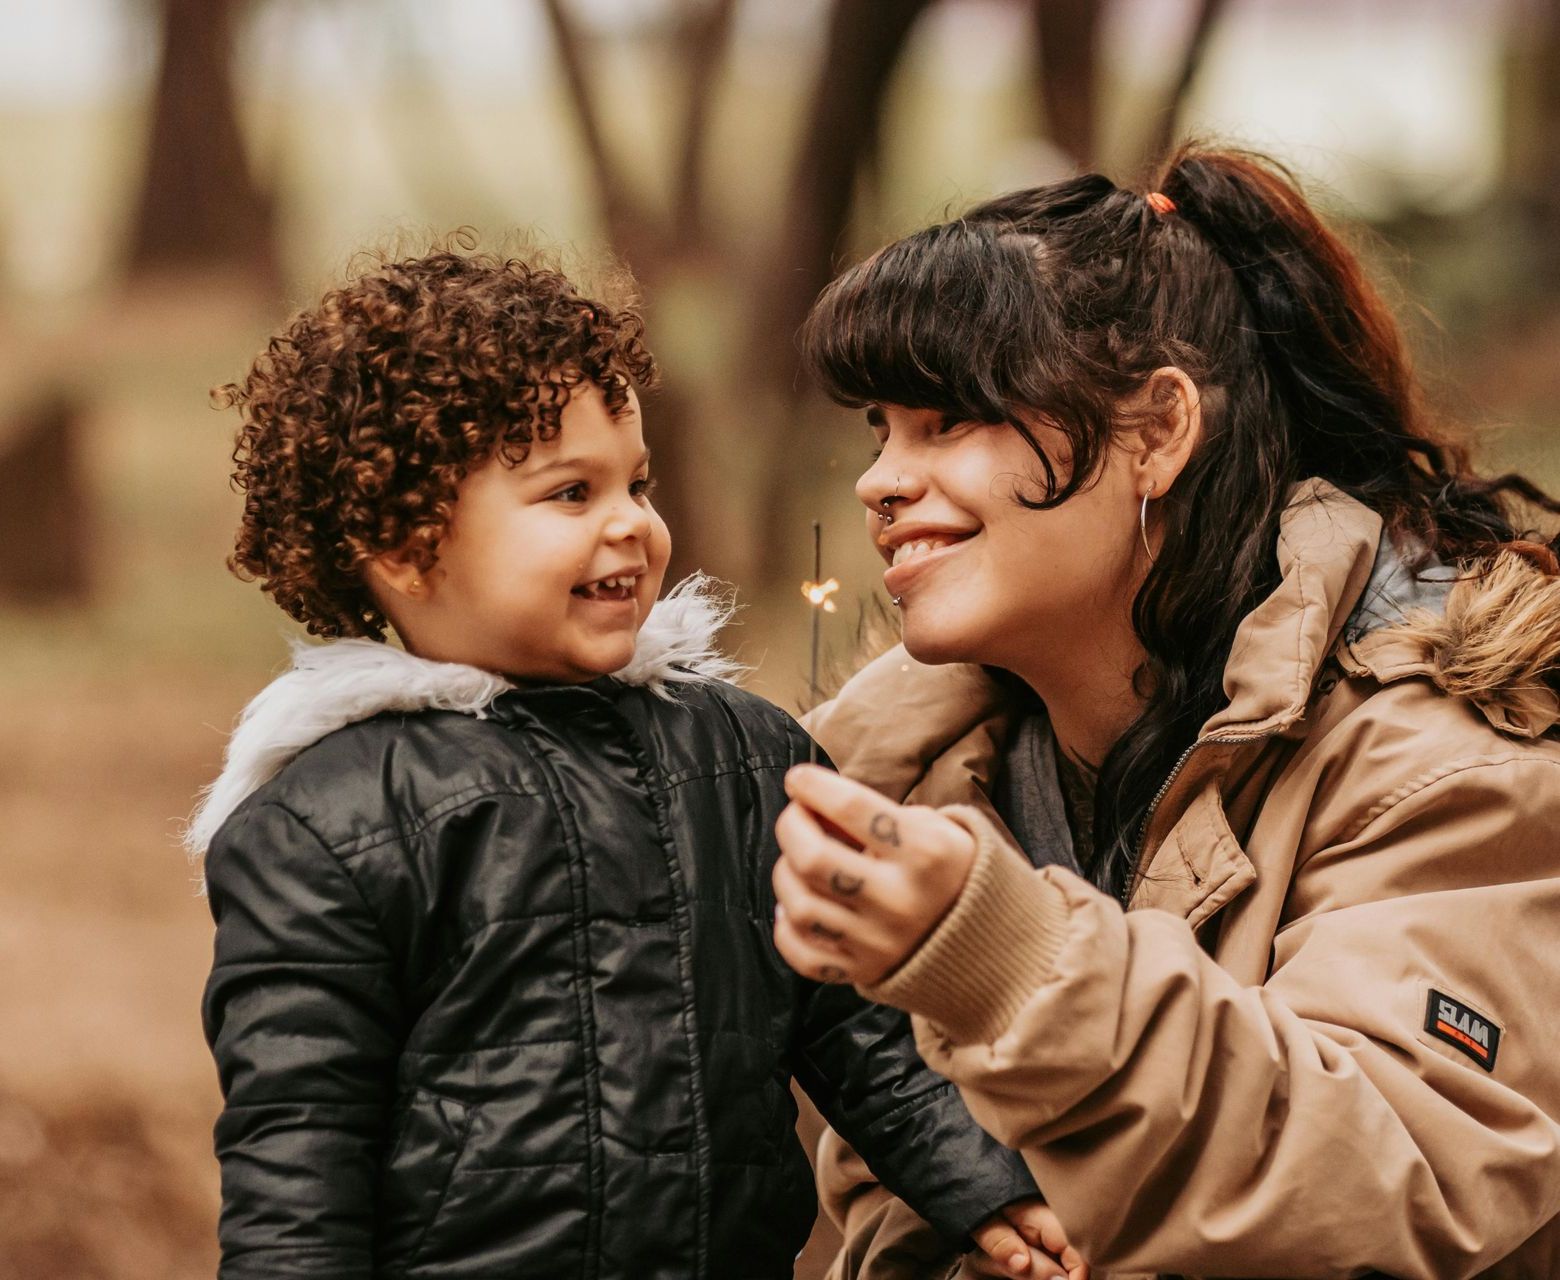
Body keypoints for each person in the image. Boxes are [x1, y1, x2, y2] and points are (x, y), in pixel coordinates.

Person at [185, 241, 1064, 1280]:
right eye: (570, 493)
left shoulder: (739, 756)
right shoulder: (330, 827)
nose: (632, 526)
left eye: (637, 484)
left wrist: (981, 1184)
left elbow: (855, 1030)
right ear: (405, 542)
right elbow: (297, 1163)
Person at [771, 146, 1560, 1279]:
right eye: (881, 429)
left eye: (949, 418)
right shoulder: (904, 786)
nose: (881, 479)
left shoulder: (1448, 762)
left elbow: (1396, 1182)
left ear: (1157, 432)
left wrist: (1012, 965)